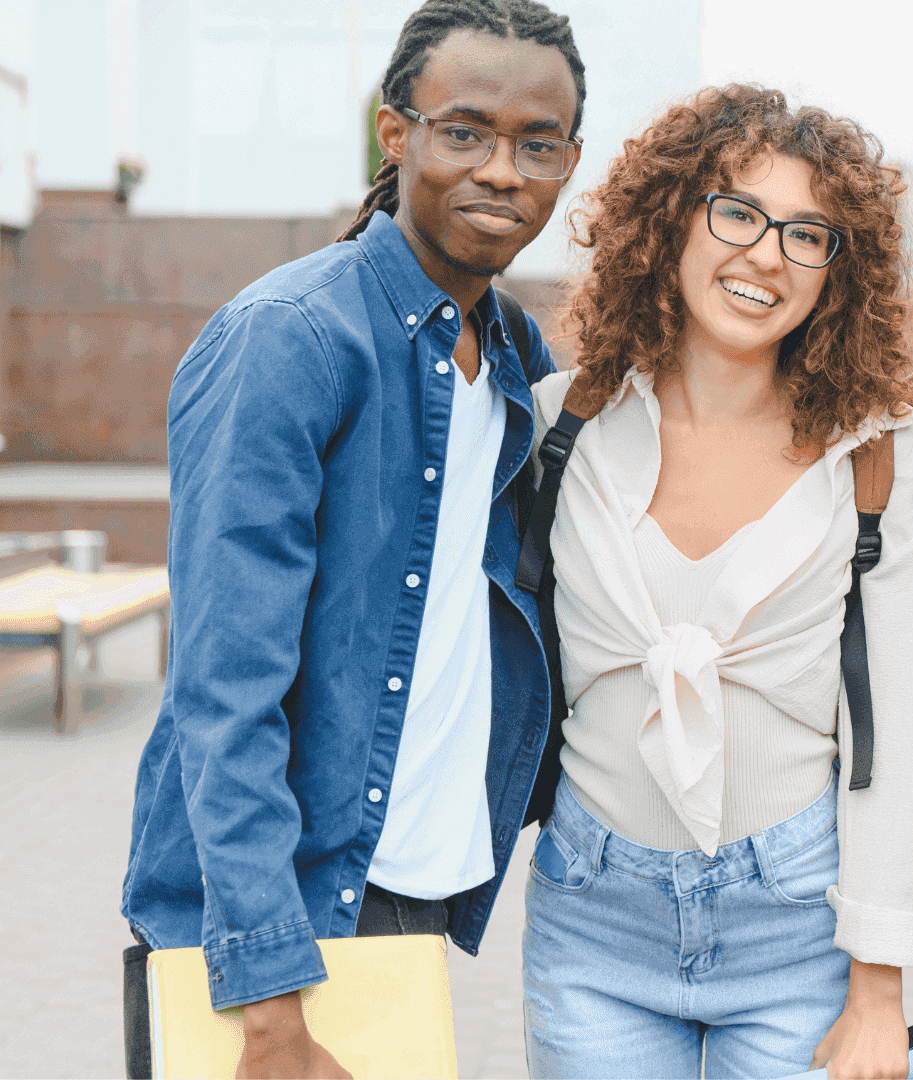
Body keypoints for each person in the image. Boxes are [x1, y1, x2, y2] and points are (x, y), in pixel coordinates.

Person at [119, 2, 584, 1076]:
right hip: (279, 922)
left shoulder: (513, 349)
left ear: (570, 161)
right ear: (396, 134)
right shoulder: (292, 338)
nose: (503, 171)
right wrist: (270, 990)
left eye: (537, 144)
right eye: (464, 131)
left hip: (412, 885)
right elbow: (222, 689)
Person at [517, 85, 913, 1079]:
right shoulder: (561, 425)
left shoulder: (882, 459)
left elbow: (903, 737)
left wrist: (879, 991)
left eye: (809, 235)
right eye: (739, 212)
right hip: (593, 917)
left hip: (800, 922)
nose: (766, 255)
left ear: (840, 273)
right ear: (670, 219)